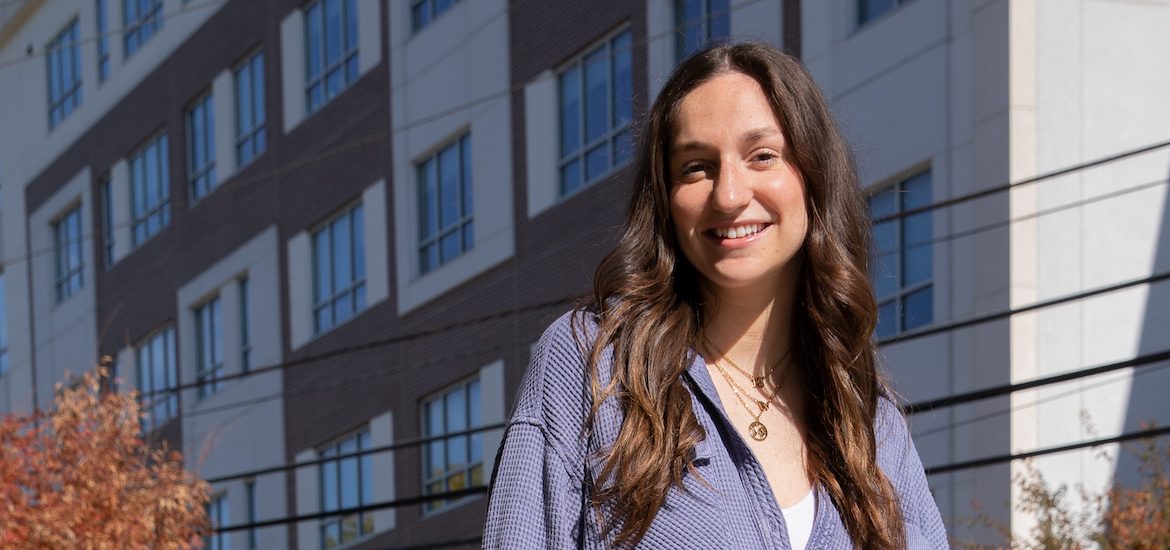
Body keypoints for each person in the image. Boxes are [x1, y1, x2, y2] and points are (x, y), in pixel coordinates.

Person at [483, 42, 947, 549]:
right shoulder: (594, 365)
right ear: (665, 198)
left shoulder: (872, 426)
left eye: (762, 156)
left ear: (813, 178)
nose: (728, 194)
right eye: (696, 166)